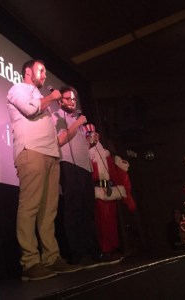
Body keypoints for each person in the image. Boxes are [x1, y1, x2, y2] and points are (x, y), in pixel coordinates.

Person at [7, 59, 81, 281]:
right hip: (31, 152)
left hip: (50, 155)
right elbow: (30, 111)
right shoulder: (18, 89)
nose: (44, 75)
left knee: (48, 211)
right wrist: (51, 98)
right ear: (28, 71)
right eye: (41, 70)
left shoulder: (43, 99)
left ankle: (51, 258)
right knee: (30, 207)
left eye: (46, 72)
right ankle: (30, 263)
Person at [52, 85, 115, 267]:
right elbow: (61, 140)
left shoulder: (76, 121)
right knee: (74, 210)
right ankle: (78, 254)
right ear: (59, 101)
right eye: (68, 98)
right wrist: (78, 123)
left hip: (84, 168)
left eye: (74, 99)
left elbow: (80, 147)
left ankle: (95, 252)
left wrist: (90, 142)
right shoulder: (57, 118)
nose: (72, 102)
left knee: (88, 211)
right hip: (68, 165)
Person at [90, 141, 137, 258]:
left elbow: (122, 177)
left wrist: (126, 195)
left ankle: (113, 248)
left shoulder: (112, 159)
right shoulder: (91, 156)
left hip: (110, 192)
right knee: (102, 223)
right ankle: (106, 249)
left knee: (112, 222)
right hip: (99, 193)